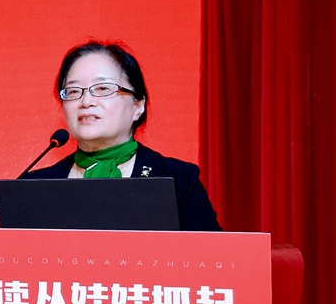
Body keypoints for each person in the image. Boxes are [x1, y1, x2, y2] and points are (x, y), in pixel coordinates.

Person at [18, 40, 221, 231]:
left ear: (138, 106)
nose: (86, 101)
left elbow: (210, 254)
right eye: (73, 91)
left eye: (103, 88)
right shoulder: (32, 189)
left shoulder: (178, 180)